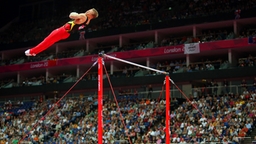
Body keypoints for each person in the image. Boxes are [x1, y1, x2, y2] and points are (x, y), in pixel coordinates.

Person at [25, 8, 99, 56]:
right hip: (66, 34)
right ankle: (35, 52)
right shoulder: (87, 22)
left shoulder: (84, 16)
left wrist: (74, 13)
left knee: (46, 41)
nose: (87, 11)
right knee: (49, 43)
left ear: (91, 16)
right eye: (88, 10)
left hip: (62, 31)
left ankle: (31, 51)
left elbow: (71, 16)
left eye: (89, 11)